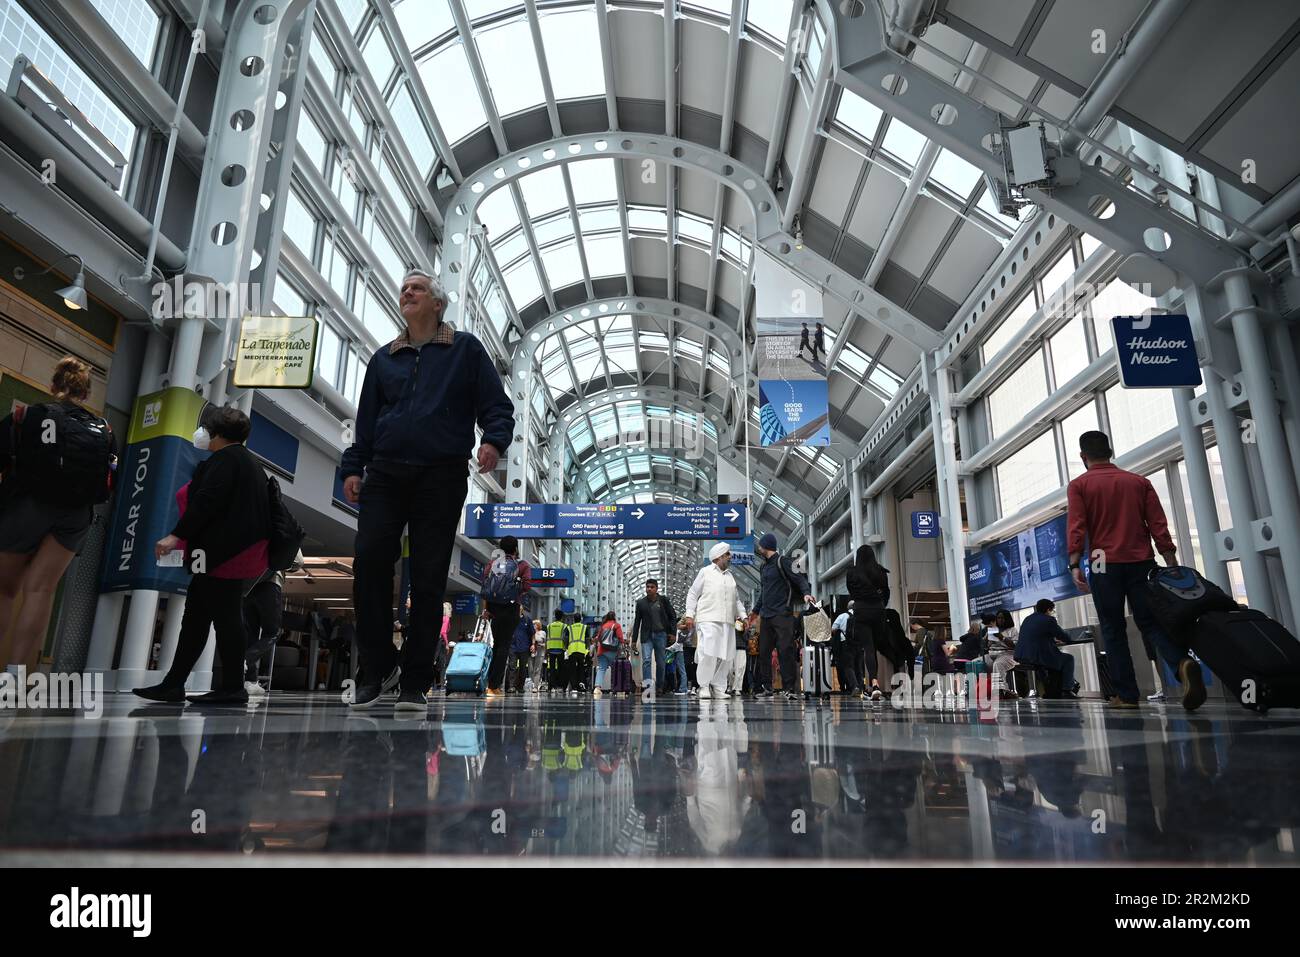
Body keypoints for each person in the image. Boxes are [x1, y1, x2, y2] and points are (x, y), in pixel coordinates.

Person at [340, 269, 514, 712]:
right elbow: (366, 422)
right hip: (385, 472)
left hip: (441, 473)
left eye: (418, 288)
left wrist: (493, 440)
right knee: (370, 562)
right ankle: (376, 668)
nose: (407, 292)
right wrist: (353, 467)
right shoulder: (384, 359)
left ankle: (416, 678)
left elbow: (496, 404)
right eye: (404, 288)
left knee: (430, 574)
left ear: (438, 304)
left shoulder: (465, 349)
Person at [135, 407, 271, 704]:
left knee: (219, 618)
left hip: (219, 553)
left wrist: (176, 535)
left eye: (207, 428)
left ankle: (230, 687)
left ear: (218, 434)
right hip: (233, 552)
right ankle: (176, 683)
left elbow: (206, 502)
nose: (202, 434)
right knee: (202, 616)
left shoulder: (225, 460)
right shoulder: (249, 462)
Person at [1067, 429, 1205, 711]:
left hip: (1103, 561)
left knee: (1113, 628)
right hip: (1142, 560)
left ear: (1083, 456)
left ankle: (1127, 696)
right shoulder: (1138, 482)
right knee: (1152, 622)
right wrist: (1169, 558)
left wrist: (1074, 563)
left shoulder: (1080, 485)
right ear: (1111, 451)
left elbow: (1077, 526)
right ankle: (1181, 663)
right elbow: (1157, 523)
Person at [0, 357, 116, 671]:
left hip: (27, 506)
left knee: (5, 590)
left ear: (53, 386)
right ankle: (13, 677)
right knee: (41, 589)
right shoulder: (103, 429)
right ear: (87, 394)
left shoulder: (26, 416)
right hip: (75, 516)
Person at [753, 532, 815, 699]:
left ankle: (790, 688)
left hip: (782, 614)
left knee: (785, 651)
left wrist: (806, 593)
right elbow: (764, 591)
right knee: (764, 652)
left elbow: (799, 578)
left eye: (760, 545)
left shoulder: (784, 562)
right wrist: (755, 611)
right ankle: (767, 687)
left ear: (766, 546)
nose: (758, 547)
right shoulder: (763, 566)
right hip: (766, 616)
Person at [683, 542, 748, 699]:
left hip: (727, 621)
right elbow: (693, 593)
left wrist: (744, 616)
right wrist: (689, 614)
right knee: (708, 653)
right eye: (727, 555)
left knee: (726, 655)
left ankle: (719, 687)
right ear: (719, 557)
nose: (730, 557)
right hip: (708, 619)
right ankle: (704, 686)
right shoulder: (705, 572)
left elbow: (737, 599)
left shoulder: (730, 577)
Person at [242, 549, 303, 695]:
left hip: (247, 584)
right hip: (270, 583)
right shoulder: (284, 528)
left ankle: (250, 681)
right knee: (273, 632)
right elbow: (297, 562)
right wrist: (277, 562)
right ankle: (244, 660)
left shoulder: (250, 529)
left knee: (251, 633)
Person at [480, 536, 532, 698]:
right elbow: (527, 585)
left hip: (494, 608)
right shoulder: (522, 565)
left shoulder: (493, 563)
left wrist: (487, 609)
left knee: (496, 645)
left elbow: (486, 584)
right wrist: (516, 591)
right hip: (511, 608)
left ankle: (489, 683)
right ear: (516, 549)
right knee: (504, 646)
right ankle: (493, 686)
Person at [1012, 599, 1080, 698]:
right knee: (1068, 658)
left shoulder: (1028, 619)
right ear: (1048, 609)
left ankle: (1051, 691)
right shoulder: (1049, 619)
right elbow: (1064, 637)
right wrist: (1067, 639)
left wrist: (1051, 640)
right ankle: (1067, 690)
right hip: (1037, 656)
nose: (1051, 613)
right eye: (1051, 610)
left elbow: (1036, 636)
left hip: (1021, 655)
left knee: (1052, 663)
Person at [845, 545, 888, 700]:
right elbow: (886, 593)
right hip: (878, 611)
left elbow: (851, 591)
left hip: (861, 611)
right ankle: (876, 684)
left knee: (868, 648)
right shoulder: (880, 571)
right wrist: (880, 605)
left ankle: (873, 684)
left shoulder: (852, 572)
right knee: (874, 648)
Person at [630, 578, 677, 693]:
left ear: (656, 589)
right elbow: (637, 622)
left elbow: (672, 616)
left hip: (661, 635)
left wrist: (672, 633)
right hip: (646, 636)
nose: (649, 589)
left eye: (652, 587)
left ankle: (659, 686)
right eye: (647, 587)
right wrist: (634, 640)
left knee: (661, 662)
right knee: (646, 661)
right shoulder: (641, 603)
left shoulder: (663, 601)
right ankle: (648, 686)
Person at [986, 608, 1019, 698]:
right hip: (993, 653)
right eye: (998, 618)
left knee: (997, 664)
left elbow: (1014, 646)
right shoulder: (994, 629)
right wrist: (988, 641)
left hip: (1008, 654)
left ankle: (1002, 691)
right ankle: (979, 690)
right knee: (975, 663)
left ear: (1007, 619)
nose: (999, 620)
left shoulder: (1012, 630)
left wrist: (1001, 637)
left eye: (1002, 618)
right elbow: (988, 645)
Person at [592, 612, 624, 698]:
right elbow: (620, 638)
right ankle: (617, 688)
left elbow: (598, 638)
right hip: (612, 651)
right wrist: (622, 644)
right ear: (614, 617)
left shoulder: (603, 626)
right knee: (617, 669)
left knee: (601, 669)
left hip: (601, 651)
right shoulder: (616, 625)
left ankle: (597, 688)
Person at [564, 612, 591, 696]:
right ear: (581, 619)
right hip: (581, 650)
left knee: (572, 669)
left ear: (573, 619)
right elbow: (587, 639)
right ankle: (581, 686)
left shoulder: (569, 628)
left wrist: (566, 647)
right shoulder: (585, 627)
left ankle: (574, 687)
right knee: (581, 668)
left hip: (572, 650)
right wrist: (587, 648)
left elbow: (566, 639)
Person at [544, 610, 569, 694]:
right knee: (561, 669)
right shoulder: (564, 626)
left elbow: (547, 638)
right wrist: (566, 647)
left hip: (551, 649)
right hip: (560, 649)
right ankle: (560, 687)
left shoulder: (549, 626)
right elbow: (565, 638)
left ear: (555, 616)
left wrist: (546, 650)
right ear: (562, 617)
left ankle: (551, 687)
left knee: (551, 669)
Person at [508, 611, 533, 693]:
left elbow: (532, 633)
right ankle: (512, 686)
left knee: (522, 668)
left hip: (524, 648)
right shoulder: (511, 619)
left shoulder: (527, 620)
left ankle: (520, 686)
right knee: (512, 667)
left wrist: (533, 644)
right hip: (513, 647)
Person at [669, 619, 692, 695]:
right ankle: (682, 688)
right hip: (678, 651)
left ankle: (683, 689)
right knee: (681, 669)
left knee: (682, 670)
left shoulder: (680, 631)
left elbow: (678, 643)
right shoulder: (680, 631)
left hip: (679, 651)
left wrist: (669, 648)